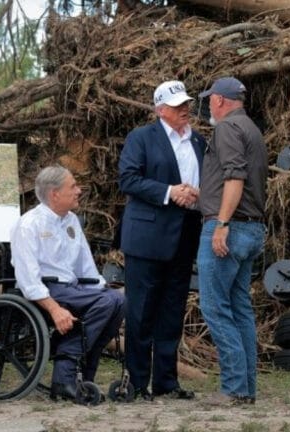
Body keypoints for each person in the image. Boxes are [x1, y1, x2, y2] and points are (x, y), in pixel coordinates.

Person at [118, 80, 206, 400]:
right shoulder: (141, 138)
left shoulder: (198, 140)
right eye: (177, 105)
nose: (185, 109)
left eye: (187, 103)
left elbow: (205, 180)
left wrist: (198, 195)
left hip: (184, 236)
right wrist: (170, 192)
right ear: (160, 110)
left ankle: (166, 383)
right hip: (146, 238)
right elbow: (128, 179)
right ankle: (138, 383)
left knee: (172, 311)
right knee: (141, 312)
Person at [10, 166, 126, 402]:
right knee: (109, 301)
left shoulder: (71, 220)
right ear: (54, 194)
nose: (79, 191)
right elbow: (27, 279)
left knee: (119, 301)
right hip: (46, 291)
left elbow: (86, 267)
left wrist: (103, 289)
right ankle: (64, 377)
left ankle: (84, 376)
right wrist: (54, 309)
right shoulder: (28, 224)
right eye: (72, 186)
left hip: (74, 288)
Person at [196, 77, 267, 405]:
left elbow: (235, 178)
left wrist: (221, 223)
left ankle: (234, 389)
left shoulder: (226, 129)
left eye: (210, 99)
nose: (209, 104)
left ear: (221, 101)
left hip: (230, 228)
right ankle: (246, 389)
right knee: (240, 309)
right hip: (251, 230)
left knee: (214, 305)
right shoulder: (251, 129)